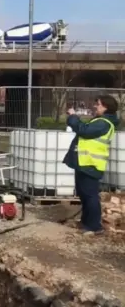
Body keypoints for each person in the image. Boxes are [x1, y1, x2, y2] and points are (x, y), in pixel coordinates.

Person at [63, 95, 120, 235]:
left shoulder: (104, 123)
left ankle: (94, 226)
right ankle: (86, 222)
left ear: (106, 107)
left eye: (98, 104)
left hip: (91, 164)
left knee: (90, 195)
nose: (95, 106)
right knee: (84, 194)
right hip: (84, 162)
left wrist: (73, 117)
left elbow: (84, 130)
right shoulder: (101, 121)